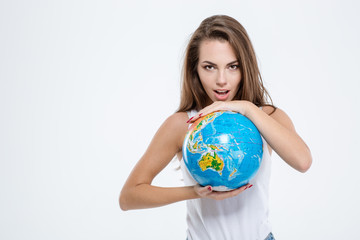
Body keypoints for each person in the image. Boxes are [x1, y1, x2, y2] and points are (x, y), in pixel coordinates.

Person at [119, 15, 312, 240]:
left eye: (232, 66)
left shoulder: (267, 116)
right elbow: (128, 197)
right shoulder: (184, 124)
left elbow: (303, 161)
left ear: (245, 67)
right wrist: (194, 193)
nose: (222, 80)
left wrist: (248, 108)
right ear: (195, 70)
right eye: (209, 67)